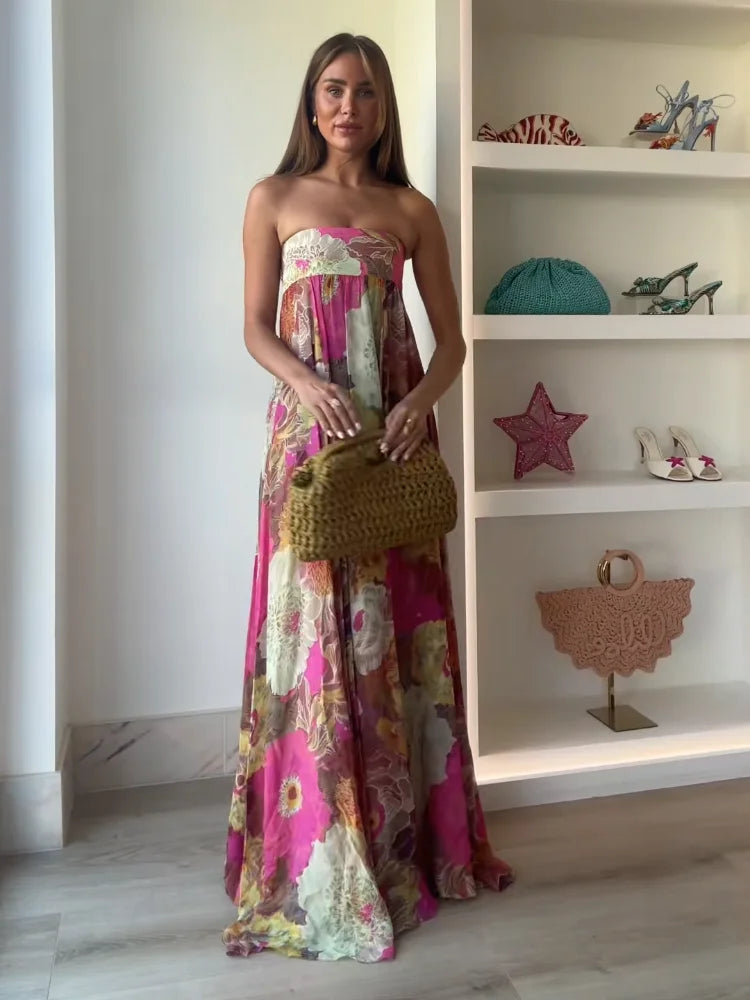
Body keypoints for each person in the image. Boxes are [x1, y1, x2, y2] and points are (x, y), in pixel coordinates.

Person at [223, 31, 513, 963]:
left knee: (395, 629)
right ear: (313, 103)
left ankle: (402, 840)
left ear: (384, 108)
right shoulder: (274, 198)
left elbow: (451, 341)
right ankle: (316, 843)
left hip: (393, 437)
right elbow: (255, 328)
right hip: (309, 438)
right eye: (334, 90)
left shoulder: (410, 209)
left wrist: (420, 405)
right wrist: (306, 384)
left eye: (366, 92)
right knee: (311, 630)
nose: (349, 106)